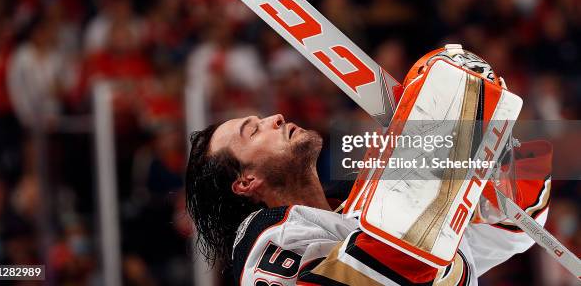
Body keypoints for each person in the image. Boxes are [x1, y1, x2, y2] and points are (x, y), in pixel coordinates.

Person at [185, 47, 552, 285]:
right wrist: (449, 124)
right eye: (253, 130)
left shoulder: (361, 213)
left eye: (262, 117)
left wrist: (498, 156)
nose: (275, 118)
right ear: (246, 181)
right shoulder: (263, 238)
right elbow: (395, 259)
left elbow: (516, 230)